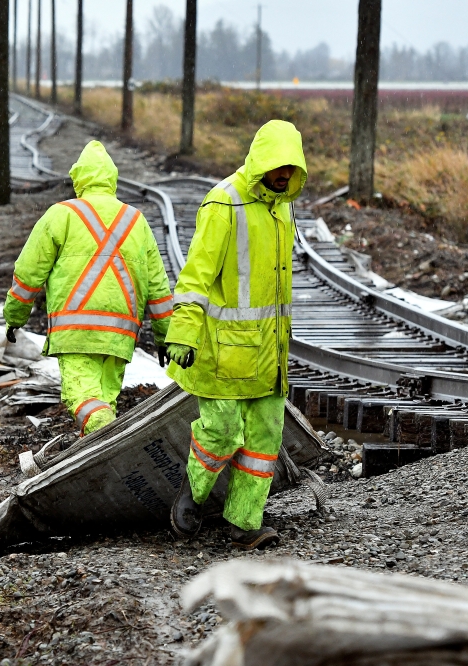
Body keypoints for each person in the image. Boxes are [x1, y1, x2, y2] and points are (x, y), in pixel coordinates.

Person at [164, 120, 307, 550]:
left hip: (269, 355)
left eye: (291, 168)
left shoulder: (283, 207)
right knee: (222, 432)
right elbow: (195, 277)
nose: (284, 175)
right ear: (261, 159)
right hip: (224, 352)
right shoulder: (223, 203)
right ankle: (193, 495)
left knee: (264, 442)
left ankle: (244, 524)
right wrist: (184, 332)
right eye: (278, 166)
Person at [3, 141, 173, 435]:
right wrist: (165, 337)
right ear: (113, 178)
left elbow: (28, 272)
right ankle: (101, 464)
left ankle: (103, 439)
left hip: (76, 330)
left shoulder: (62, 214)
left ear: (78, 178)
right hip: (120, 334)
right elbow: (159, 286)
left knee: (82, 399)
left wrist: (14, 317)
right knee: (104, 400)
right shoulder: (136, 220)